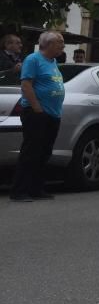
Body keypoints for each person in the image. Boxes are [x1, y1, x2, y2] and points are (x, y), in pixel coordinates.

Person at [10, 31, 65, 202]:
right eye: (60, 42)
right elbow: (26, 85)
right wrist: (37, 108)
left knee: (44, 152)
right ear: (48, 44)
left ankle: (36, 188)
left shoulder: (53, 61)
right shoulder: (33, 59)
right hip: (37, 113)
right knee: (31, 152)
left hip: (53, 114)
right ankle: (19, 191)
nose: (63, 46)